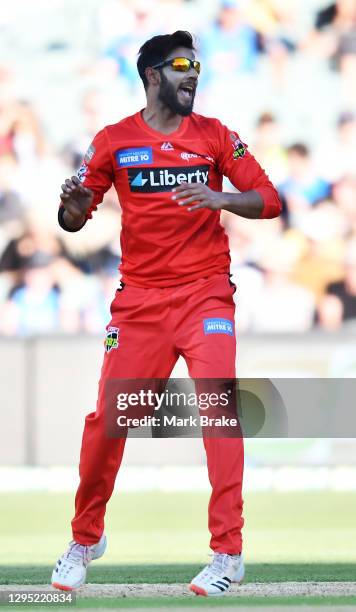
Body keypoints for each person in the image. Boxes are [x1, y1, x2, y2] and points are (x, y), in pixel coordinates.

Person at [51, 30, 281, 597]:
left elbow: (270, 199)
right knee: (109, 421)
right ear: (152, 74)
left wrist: (222, 197)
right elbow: (75, 217)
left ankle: (228, 554)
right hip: (140, 306)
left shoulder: (216, 137)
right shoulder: (113, 141)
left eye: (197, 67)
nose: (192, 76)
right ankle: (85, 538)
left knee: (221, 410)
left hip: (205, 296)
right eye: (181, 67)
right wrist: (72, 208)